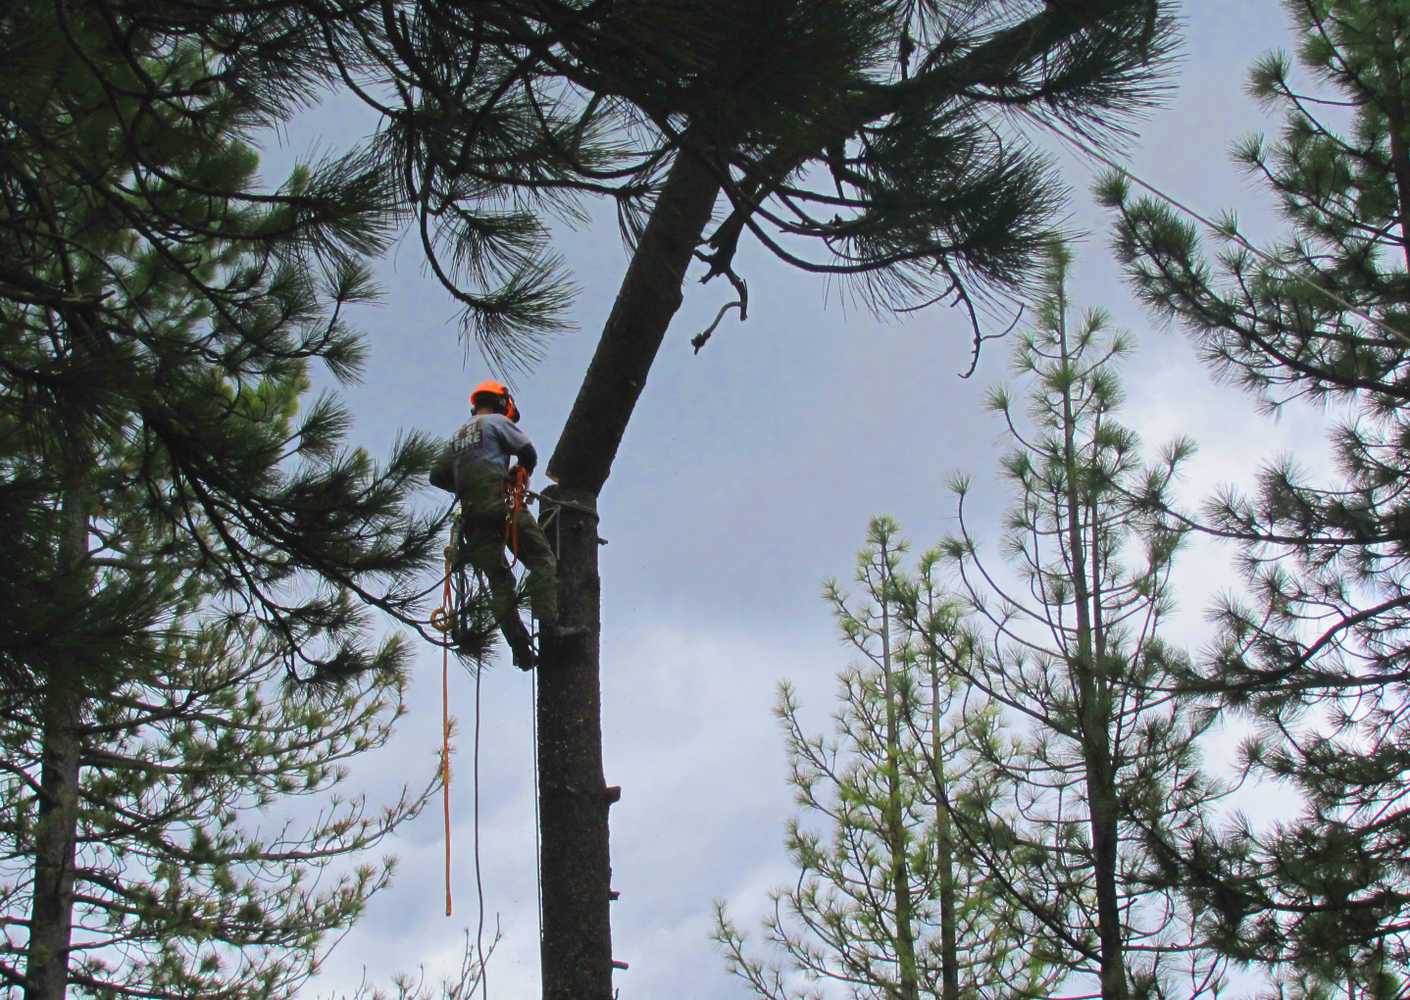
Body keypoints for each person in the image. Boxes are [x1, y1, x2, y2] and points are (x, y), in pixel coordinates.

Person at [431, 380, 559, 669]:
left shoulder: (456, 437)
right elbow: (528, 452)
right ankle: (551, 629)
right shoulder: (496, 422)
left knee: (499, 584)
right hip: (500, 503)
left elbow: (437, 476)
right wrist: (519, 470)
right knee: (542, 560)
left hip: (472, 516)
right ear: (502, 403)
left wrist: (468, 484)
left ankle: (521, 650)